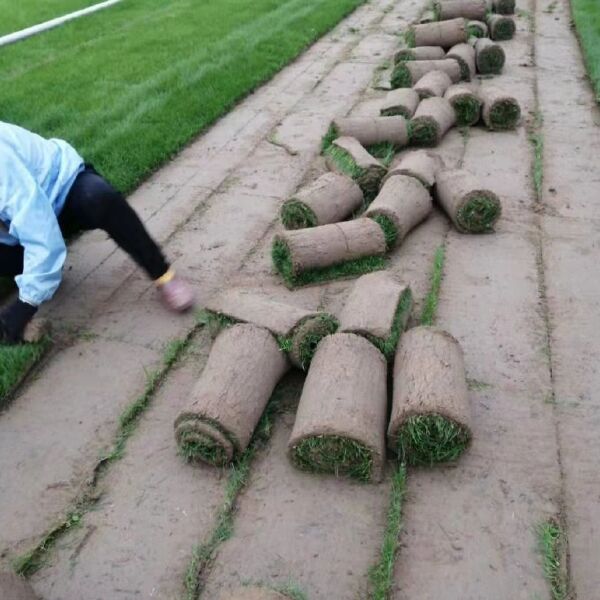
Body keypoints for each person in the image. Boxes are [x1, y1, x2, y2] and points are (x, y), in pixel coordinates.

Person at [0, 120, 194, 345]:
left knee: (98, 198)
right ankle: (45, 269)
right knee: (36, 253)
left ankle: (163, 275)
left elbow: (39, 227)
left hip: (62, 189)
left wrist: (24, 306)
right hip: (19, 223)